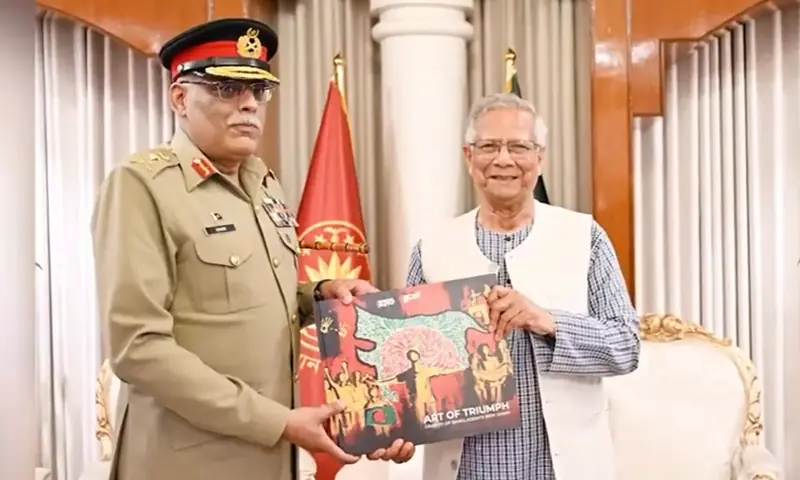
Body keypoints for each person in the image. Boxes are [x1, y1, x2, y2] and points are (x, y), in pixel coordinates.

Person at [91, 18, 413, 480]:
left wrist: (321, 294)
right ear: (179, 98)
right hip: (186, 461)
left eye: (258, 91)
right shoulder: (142, 186)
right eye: (225, 89)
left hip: (269, 458)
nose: (248, 105)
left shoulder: (261, 182)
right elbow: (138, 348)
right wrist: (278, 422)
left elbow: (247, 297)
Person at [405, 93, 640, 480]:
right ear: (469, 156)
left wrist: (546, 321)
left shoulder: (584, 237)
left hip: (562, 467)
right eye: (489, 147)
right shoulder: (432, 248)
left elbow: (626, 346)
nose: (503, 160)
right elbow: (412, 363)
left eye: (519, 147)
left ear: (539, 158)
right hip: (464, 469)